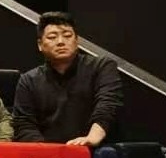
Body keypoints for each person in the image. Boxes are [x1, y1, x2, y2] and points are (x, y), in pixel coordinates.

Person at [13, 12, 123, 145]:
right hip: (50, 153)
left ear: (77, 41)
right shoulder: (29, 80)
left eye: (67, 36)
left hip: (96, 149)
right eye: (52, 37)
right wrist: (49, 152)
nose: (60, 42)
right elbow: (24, 124)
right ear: (40, 45)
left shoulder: (102, 66)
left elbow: (108, 105)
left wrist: (92, 138)